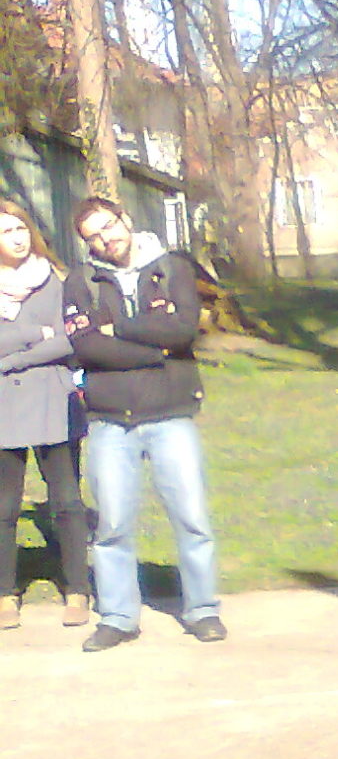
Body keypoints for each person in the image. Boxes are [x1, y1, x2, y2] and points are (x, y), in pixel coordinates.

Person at [66, 193, 225, 651]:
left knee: (192, 518)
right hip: (110, 420)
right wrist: (157, 352)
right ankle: (118, 617)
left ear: (125, 219)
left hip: (171, 413)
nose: (106, 239)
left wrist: (119, 327)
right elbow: (86, 347)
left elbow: (184, 330)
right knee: (113, 524)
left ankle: (203, 609)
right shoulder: (81, 281)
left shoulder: (173, 268)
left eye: (109, 226)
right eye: (94, 236)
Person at [0, 197, 89, 632]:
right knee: (4, 506)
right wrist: (38, 333)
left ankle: (78, 589)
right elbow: (46, 337)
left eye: (21, 229)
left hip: (55, 397)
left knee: (67, 501)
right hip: (4, 406)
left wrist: (16, 356)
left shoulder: (55, 278)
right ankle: (4, 593)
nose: (17, 238)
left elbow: (70, 339)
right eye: (6, 232)